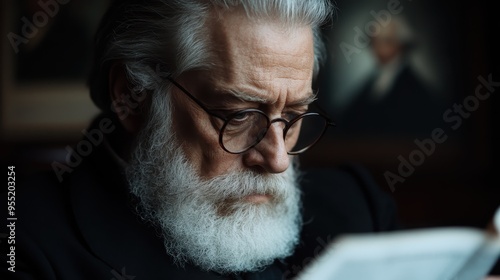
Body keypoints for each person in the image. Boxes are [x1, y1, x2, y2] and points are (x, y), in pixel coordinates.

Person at [1, 1, 400, 279]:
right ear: (131, 96)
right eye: (239, 116)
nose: (278, 159)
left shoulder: (358, 211)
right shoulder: (21, 237)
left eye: (293, 117)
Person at [340, 16, 444, 136]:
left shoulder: (415, 88)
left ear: (401, 43)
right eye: (374, 42)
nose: (377, 48)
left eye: (385, 41)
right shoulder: (373, 81)